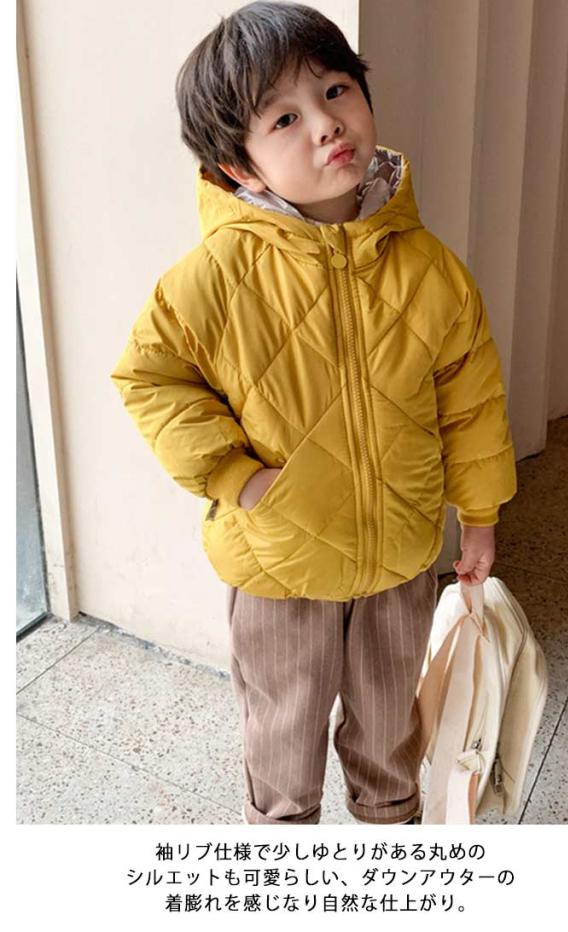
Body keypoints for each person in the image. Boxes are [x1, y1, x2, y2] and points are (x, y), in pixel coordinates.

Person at [110, 1, 517, 825]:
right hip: (280, 565)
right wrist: (236, 477)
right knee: (283, 736)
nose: (326, 123)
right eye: (285, 118)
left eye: (336, 91)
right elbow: (150, 378)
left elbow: (470, 400)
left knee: (391, 730)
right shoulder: (212, 276)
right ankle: (283, 845)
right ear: (241, 167)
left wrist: (479, 516)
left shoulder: (431, 269)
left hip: (399, 558)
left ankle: (388, 836)